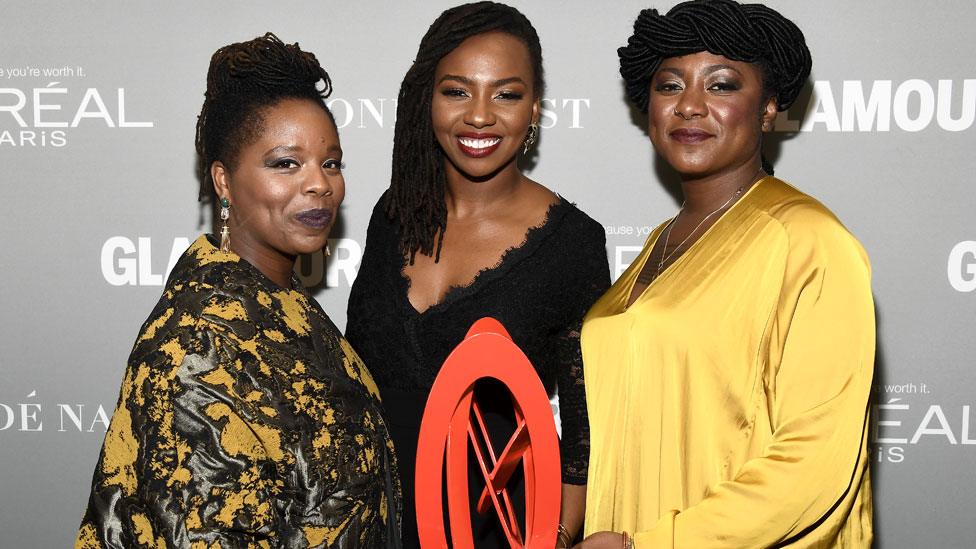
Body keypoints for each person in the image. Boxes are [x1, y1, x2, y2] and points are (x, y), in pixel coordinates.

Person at [75, 33, 400, 548]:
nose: (320, 183)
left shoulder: (286, 310)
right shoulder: (196, 349)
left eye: (331, 163)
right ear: (224, 181)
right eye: (285, 163)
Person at [578, 1, 873, 547]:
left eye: (721, 85)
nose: (689, 106)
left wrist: (650, 544)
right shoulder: (659, 243)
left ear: (768, 108)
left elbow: (816, 460)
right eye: (670, 86)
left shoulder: (807, 240)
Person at [345, 2, 610, 547]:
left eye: (507, 94)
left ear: (535, 107)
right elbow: (354, 384)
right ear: (427, 99)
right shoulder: (392, 216)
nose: (481, 115)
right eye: (457, 91)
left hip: (496, 531)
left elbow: (585, 434)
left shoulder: (573, 243)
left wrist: (553, 539)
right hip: (374, 522)